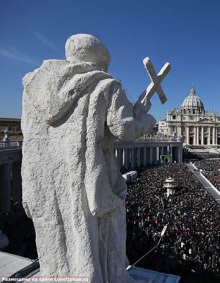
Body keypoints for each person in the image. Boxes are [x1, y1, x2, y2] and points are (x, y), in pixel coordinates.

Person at [21, 34, 157, 282]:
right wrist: (146, 118)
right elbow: (126, 131)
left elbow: (30, 136)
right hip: (88, 181)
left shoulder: (33, 88)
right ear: (101, 61)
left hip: (48, 182)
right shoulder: (106, 84)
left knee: (59, 237)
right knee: (97, 237)